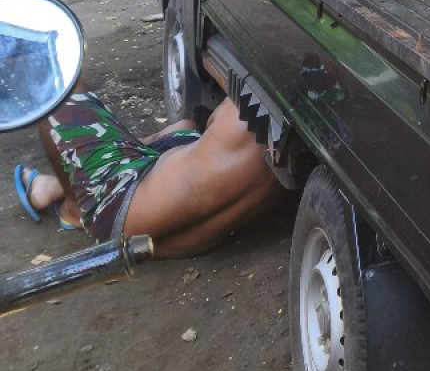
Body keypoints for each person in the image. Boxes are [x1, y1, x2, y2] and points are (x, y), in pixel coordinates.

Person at [13, 90, 284, 258]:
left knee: (61, 92)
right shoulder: (276, 131)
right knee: (183, 126)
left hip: (117, 204)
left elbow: (221, 121)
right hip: (191, 230)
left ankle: (73, 208)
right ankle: (69, 186)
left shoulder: (244, 111)